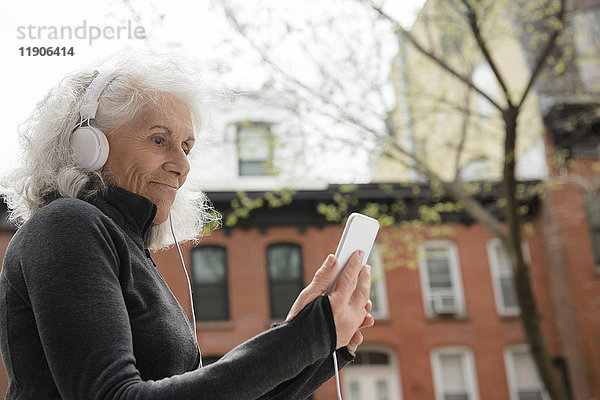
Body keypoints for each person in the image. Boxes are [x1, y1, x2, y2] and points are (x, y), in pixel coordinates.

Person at [0, 52, 374, 399]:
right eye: (160, 140)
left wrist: (319, 347)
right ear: (89, 145)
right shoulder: (67, 225)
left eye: (187, 147)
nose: (182, 164)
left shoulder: (127, 246)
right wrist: (307, 335)